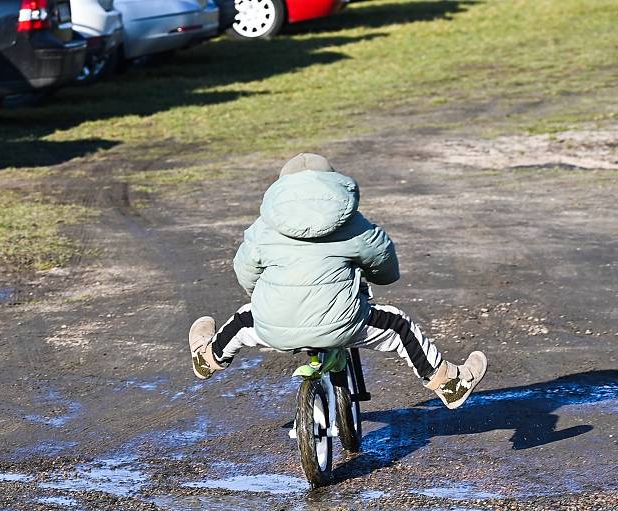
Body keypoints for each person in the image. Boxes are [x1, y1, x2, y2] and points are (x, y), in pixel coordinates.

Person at [188, 153, 487, 409]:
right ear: (331, 183)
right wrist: (378, 276)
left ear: (281, 190)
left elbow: (246, 273)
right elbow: (384, 261)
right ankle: (448, 383)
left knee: (243, 319)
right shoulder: (352, 223)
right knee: (399, 325)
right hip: (343, 323)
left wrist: (267, 292)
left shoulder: (264, 226)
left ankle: (208, 358)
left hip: (275, 325)